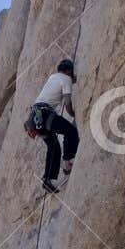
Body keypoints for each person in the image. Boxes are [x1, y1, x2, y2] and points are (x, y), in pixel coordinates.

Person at [30, 58, 79, 194]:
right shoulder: (66, 78)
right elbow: (67, 103)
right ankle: (67, 163)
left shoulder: (53, 77)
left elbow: (57, 87)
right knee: (70, 131)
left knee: (54, 147)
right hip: (45, 114)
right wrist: (73, 113)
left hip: (35, 119)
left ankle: (47, 179)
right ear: (69, 71)